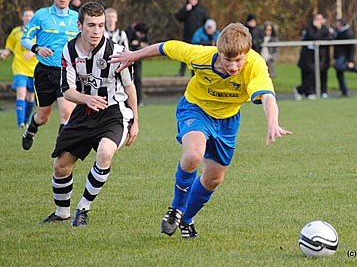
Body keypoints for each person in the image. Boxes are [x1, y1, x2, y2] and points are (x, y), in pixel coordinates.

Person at [109, 22, 291, 239]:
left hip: (227, 120)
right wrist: (134, 55)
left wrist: (273, 121)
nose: (233, 66)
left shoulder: (255, 65)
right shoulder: (201, 56)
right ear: (218, 50)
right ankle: (176, 209)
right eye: (228, 60)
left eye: (238, 60)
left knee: (214, 178)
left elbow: (268, 96)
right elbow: (166, 47)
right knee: (194, 154)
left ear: (248, 52)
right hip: (195, 108)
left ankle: (186, 219)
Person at [39, 2, 139, 227]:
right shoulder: (69, 50)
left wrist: (135, 122)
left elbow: (130, 88)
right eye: (91, 25)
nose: (96, 31)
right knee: (61, 166)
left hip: (114, 112)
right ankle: (62, 212)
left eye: (101, 25)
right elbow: (67, 90)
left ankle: (82, 209)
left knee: (105, 153)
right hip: (84, 111)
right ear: (79, 25)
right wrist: (87, 99)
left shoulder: (117, 52)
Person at [20, 0, 79, 150]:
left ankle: (61, 151)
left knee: (67, 113)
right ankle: (31, 130)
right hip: (44, 72)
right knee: (43, 117)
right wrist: (37, 48)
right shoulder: (41, 15)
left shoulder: (76, 18)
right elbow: (25, 39)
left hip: (66, 71)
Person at [0, 7, 38, 129]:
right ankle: (20, 123)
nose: (28, 18)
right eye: (26, 15)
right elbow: (10, 46)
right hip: (19, 67)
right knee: (21, 93)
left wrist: (33, 52)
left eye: (30, 16)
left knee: (30, 98)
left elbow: (44, 47)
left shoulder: (38, 32)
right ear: (22, 17)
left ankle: (26, 120)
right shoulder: (16, 32)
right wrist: (5, 53)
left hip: (33, 69)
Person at [294, 14, 332, 100]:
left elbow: (329, 37)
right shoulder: (309, 28)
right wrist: (318, 30)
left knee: (323, 74)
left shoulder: (326, 28)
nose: (319, 21)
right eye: (317, 19)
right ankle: (302, 91)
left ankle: (323, 91)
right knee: (310, 76)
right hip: (309, 58)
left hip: (322, 57)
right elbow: (314, 37)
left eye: (320, 19)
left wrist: (320, 35)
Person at [175, 0, 209, 76]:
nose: (192, 1)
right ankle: (182, 71)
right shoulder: (186, 9)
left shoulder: (201, 10)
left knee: (196, 55)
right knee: (184, 53)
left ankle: (195, 72)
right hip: (187, 35)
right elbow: (179, 17)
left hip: (198, 37)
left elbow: (207, 22)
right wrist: (186, 10)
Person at [333, 18, 357, 97]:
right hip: (338, 55)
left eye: (337, 23)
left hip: (343, 55)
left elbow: (352, 48)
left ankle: (354, 69)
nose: (335, 25)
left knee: (337, 66)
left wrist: (351, 61)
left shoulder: (348, 33)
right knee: (339, 74)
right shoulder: (338, 32)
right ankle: (344, 91)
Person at [126, 22, 149, 105]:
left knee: (138, 79)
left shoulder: (144, 31)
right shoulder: (128, 32)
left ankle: (139, 100)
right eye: (141, 34)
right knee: (127, 79)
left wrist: (139, 44)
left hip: (137, 59)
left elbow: (147, 45)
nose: (142, 36)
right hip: (127, 59)